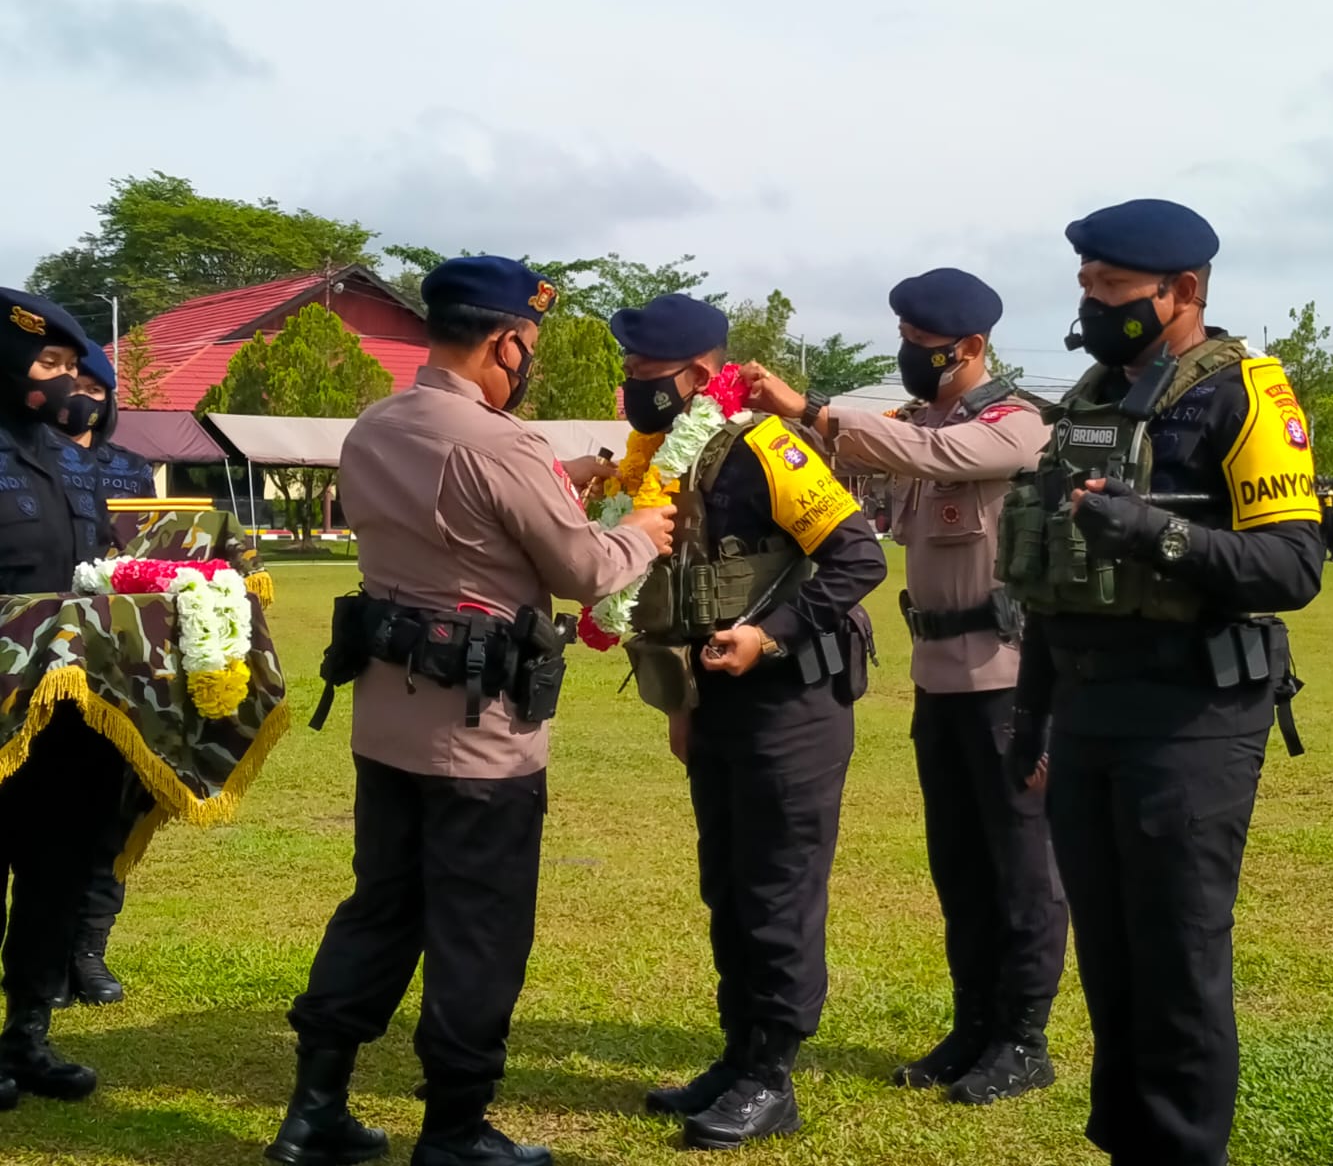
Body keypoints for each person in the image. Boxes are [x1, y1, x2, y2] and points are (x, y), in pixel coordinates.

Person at [267, 257, 674, 1166]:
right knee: (479, 926)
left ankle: (314, 1109)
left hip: (387, 715)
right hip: (480, 732)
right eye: (527, 347)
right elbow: (585, 570)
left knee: (381, 908)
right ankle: (454, 1129)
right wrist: (640, 533)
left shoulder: (375, 426)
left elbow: (455, 513)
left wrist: (559, 475)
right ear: (508, 342)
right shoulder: (502, 445)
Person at [997, 200, 1322, 1166]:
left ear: (1181, 293)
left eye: (1111, 290)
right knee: (1110, 953)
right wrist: (1032, 720)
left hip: (1193, 712)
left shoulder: (1245, 394)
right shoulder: (1094, 397)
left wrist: (1157, 534)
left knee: (1176, 957)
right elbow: (1055, 576)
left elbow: (1294, 566)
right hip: (1089, 706)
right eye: (1088, 287)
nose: (1092, 306)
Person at [740, 268, 1068, 1106]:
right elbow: (865, 464)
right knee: (958, 865)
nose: (910, 358)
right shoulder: (911, 425)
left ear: (971, 348)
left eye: (924, 348)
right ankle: (973, 1025)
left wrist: (810, 408)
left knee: (1020, 865)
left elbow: (933, 455)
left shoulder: (1015, 424)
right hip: (939, 679)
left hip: (1008, 681)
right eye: (907, 343)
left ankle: (1024, 1039)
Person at [611, 294, 886, 1150]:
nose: (631, 387)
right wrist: (683, 705)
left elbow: (858, 556)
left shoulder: (768, 447)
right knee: (727, 886)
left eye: (643, 373)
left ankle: (773, 1076)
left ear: (697, 375)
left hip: (791, 702)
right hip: (718, 702)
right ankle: (738, 1057)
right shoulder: (666, 459)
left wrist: (770, 635)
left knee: (776, 888)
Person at [0, 288, 120, 1111]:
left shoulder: (73, 458)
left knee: (57, 877)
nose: (69, 381)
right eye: (51, 365)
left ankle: (28, 1038)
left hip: (69, 716)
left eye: (75, 367)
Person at [45, 348, 158, 1010]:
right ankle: (40, 949)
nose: (83, 396)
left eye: (96, 385)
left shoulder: (132, 472)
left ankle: (86, 951)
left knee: (108, 810)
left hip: (116, 666)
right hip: (34, 663)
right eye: (72, 383)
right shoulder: (17, 465)